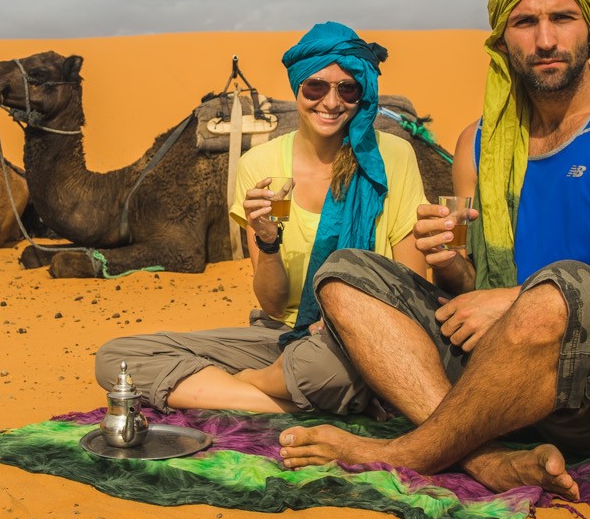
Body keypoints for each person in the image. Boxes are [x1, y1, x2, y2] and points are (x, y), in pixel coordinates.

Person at [278, 0, 590, 498]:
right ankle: (485, 458)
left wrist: (517, 299)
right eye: (525, 22)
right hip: (504, 378)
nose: (545, 40)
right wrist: (451, 263)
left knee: (563, 285)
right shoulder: (477, 145)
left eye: (562, 18)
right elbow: (473, 294)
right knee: (345, 272)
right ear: (502, 39)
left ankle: (408, 452)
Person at [94, 22, 426, 414]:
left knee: (322, 367)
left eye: (348, 89)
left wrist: (347, 323)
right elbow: (272, 305)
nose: (331, 102)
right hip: (283, 334)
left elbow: (411, 284)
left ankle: (253, 383)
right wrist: (268, 242)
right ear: (298, 87)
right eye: (316, 87)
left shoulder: (392, 156)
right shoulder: (260, 166)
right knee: (118, 358)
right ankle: (281, 398)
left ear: (363, 94)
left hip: (369, 335)